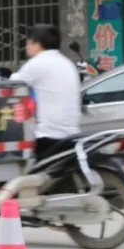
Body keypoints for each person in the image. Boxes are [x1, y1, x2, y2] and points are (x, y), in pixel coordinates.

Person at [14, 24, 81, 162]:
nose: (27, 47)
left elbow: (12, 84)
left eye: (28, 43)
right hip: (71, 133)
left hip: (49, 136)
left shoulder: (38, 63)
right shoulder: (66, 62)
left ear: (37, 44)